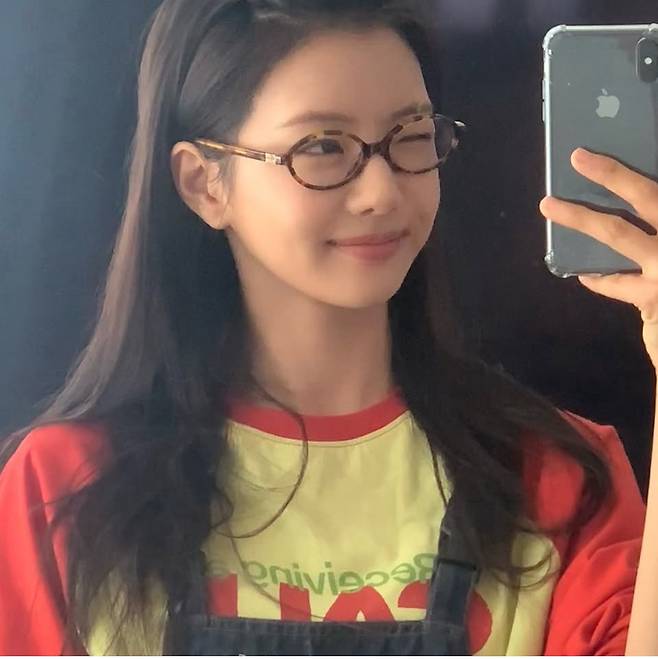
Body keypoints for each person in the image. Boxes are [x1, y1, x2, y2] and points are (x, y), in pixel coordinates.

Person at [0, 0, 656, 654]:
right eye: (322, 147)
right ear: (204, 184)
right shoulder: (63, 489)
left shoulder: (557, 476)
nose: (381, 192)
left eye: (411, 136)